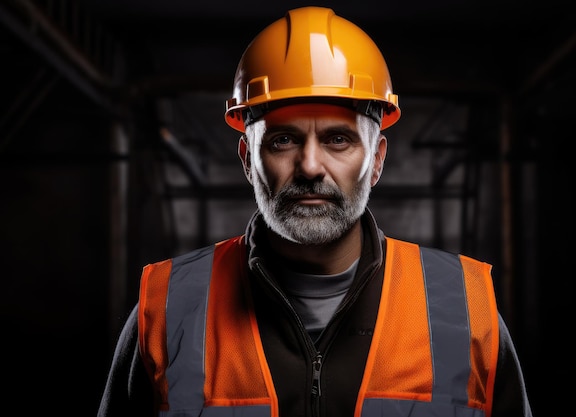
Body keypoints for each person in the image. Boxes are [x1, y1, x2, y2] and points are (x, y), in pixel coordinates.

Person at [98, 6, 533, 417]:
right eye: (283, 140)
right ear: (248, 158)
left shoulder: (467, 308)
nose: (309, 166)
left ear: (377, 159)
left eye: (338, 140)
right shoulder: (166, 308)